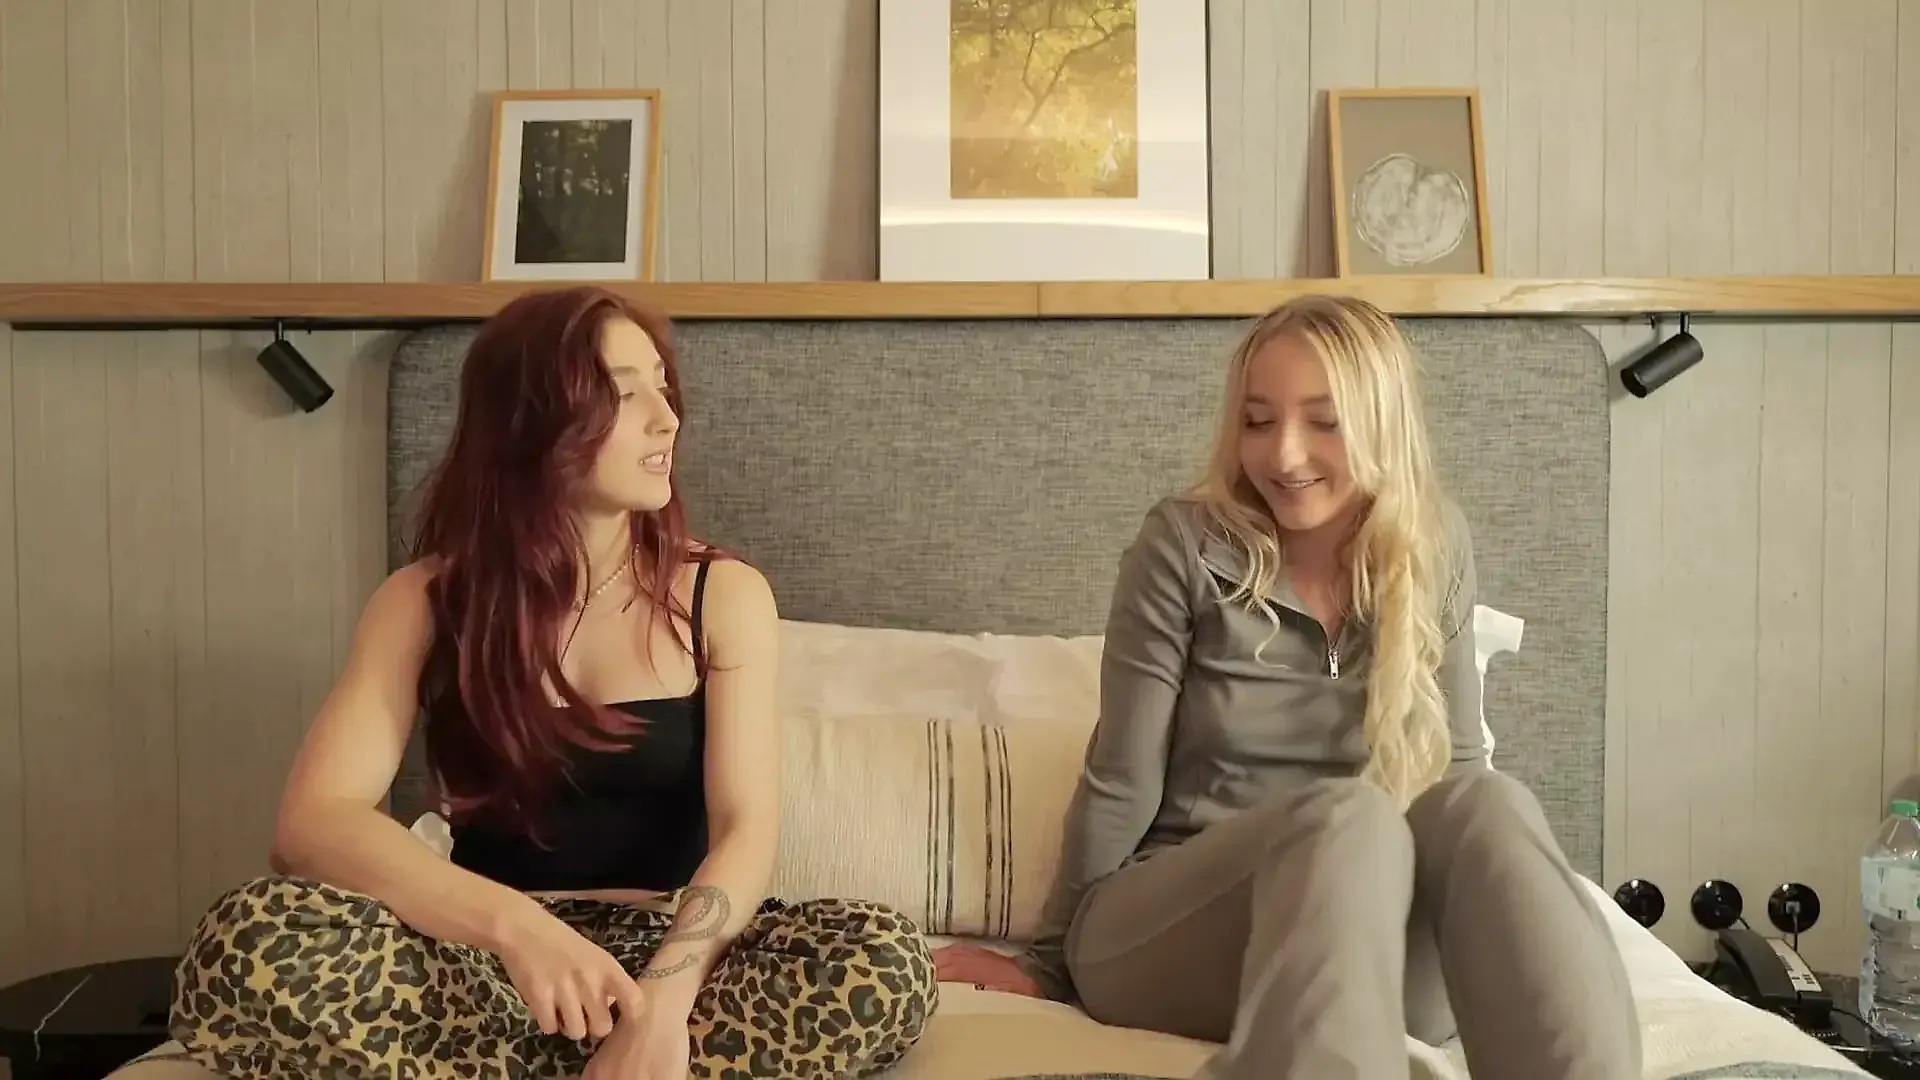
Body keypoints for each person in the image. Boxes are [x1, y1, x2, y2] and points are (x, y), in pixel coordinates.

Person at [168, 286, 939, 1080]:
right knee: (248, 940)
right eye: (624, 395)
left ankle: (585, 1058)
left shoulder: (723, 595)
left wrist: (662, 1005)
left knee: (882, 958)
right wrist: (520, 931)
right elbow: (311, 823)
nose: (668, 420)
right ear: (532, 421)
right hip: (483, 960)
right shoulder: (423, 601)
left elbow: (746, 828)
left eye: (663, 387)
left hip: (671, 957)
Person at [933, 295, 1641, 1080]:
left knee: (1492, 804)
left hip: (1374, 941)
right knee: (1348, 816)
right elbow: (1122, 776)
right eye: (1258, 420)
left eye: (1324, 421)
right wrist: (1046, 962)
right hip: (1178, 927)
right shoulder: (1185, 547)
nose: (1284, 454)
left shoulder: (1434, 543)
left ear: (1382, 424)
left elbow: (1459, 770)